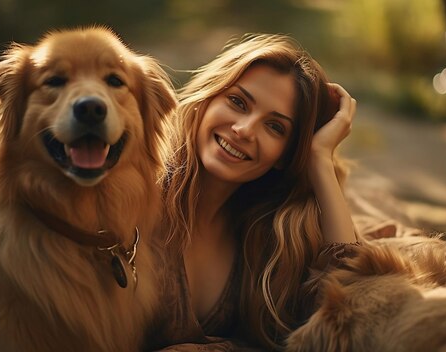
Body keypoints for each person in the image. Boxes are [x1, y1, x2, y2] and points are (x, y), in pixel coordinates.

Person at [146, 33, 358, 351]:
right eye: (238, 102)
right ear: (209, 97)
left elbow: (350, 306)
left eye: (275, 127)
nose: (244, 130)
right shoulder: (140, 192)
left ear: (286, 156)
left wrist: (320, 159)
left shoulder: (267, 238)